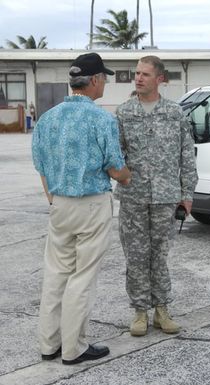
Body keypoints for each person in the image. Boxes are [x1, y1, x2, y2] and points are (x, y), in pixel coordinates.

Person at [32, 52, 131, 365]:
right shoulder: (102, 119)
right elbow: (116, 169)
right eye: (105, 78)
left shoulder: (48, 118)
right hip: (91, 205)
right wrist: (129, 176)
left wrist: (53, 199)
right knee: (82, 277)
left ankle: (49, 345)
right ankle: (74, 348)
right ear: (96, 80)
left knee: (56, 274)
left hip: (60, 205)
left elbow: (41, 166)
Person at [114, 55, 198, 336]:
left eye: (145, 74)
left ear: (160, 79)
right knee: (136, 256)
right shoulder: (124, 113)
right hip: (133, 196)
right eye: (137, 73)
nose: (138, 78)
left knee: (159, 256)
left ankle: (162, 309)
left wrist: (187, 194)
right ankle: (140, 312)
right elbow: (117, 154)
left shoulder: (174, 113)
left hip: (166, 197)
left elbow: (187, 155)